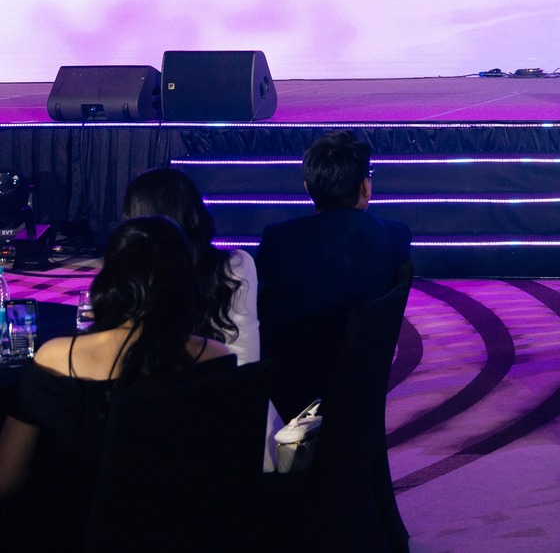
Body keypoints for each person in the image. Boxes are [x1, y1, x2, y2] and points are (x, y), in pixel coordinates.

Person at [0, 218, 236, 543]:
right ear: (185, 283)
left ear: (110, 278)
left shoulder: (57, 358)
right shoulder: (217, 356)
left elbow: (6, 479)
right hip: (181, 533)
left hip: (73, 533)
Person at [255, 130, 410, 418]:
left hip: (285, 390)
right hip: (360, 381)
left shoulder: (278, 240)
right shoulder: (395, 236)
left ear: (308, 187)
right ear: (365, 187)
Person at [125, 167, 260, 365]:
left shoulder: (234, 265)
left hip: (197, 379)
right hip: (223, 378)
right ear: (195, 212)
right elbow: (244, 355)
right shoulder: (236, 264)